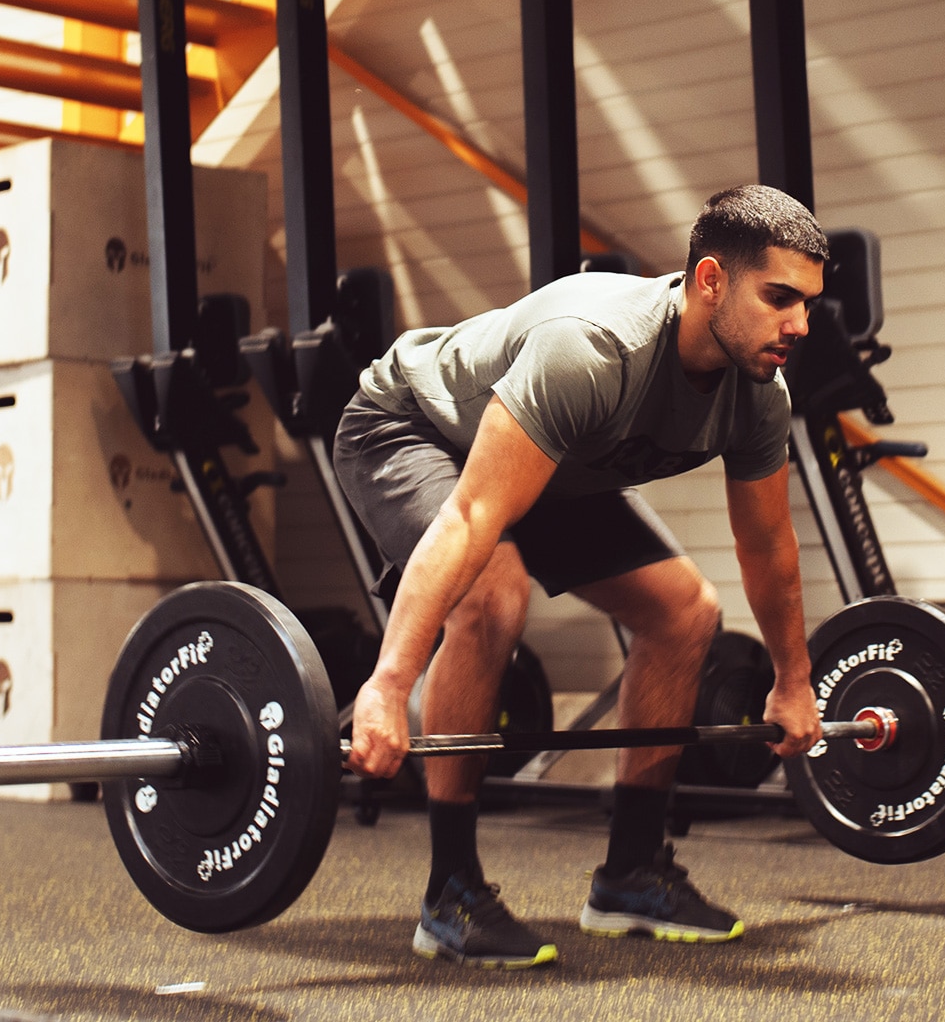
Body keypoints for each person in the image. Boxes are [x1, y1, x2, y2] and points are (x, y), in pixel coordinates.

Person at [333, 183, 828, 970]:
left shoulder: (758, 395)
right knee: (493, 596)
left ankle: (630, 875)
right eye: (779, 299)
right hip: (412, 429)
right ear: (709, 282)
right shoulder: (596, 348)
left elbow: (768, 547)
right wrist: (389, 686)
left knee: (686, 613)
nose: (798, 324)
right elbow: (469, 519)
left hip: (554, 468)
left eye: (807, 303)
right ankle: (450, 892)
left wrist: (794, 679)